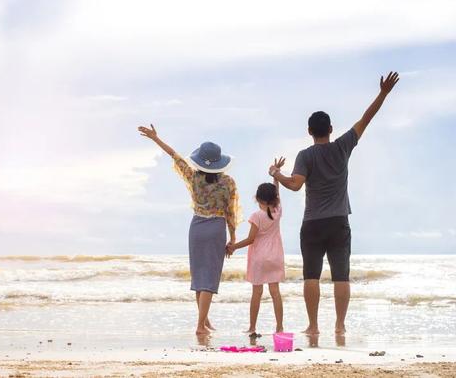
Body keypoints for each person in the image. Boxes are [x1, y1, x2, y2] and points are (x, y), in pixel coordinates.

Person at [270, 72, 400, 336]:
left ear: (309, 132)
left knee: (311, 276)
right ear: (330, 129)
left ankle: (314, 326)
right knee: (341, 276)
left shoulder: (305, 155)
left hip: (313, 223)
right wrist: (383, 93)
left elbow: (295, 185)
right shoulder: (343, 146)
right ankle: (340, 326)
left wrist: (276, 175)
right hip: (339, 221)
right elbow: (366, 118)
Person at [138, 124, 241, 335]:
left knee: (200, 275)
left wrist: (155, 138)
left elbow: (174, 155)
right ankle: (200, 325)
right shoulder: (228, 182)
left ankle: (204, 321)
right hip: (215, 228)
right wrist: (232, 238)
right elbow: (230, 212)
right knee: (210, 278)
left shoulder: (194, 177)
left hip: (196, 227)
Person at [227, 158, 286, 336]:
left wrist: (234, 246)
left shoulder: (256, 216)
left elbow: (251, 239)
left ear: (258, 198)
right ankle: (279, 327)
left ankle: (252, 327)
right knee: (275, 293)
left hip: (259, 259)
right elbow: (277, 194)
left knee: (257, 293)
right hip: (275, 257)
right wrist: (276, 174)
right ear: (274, 198)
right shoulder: (277, 211)